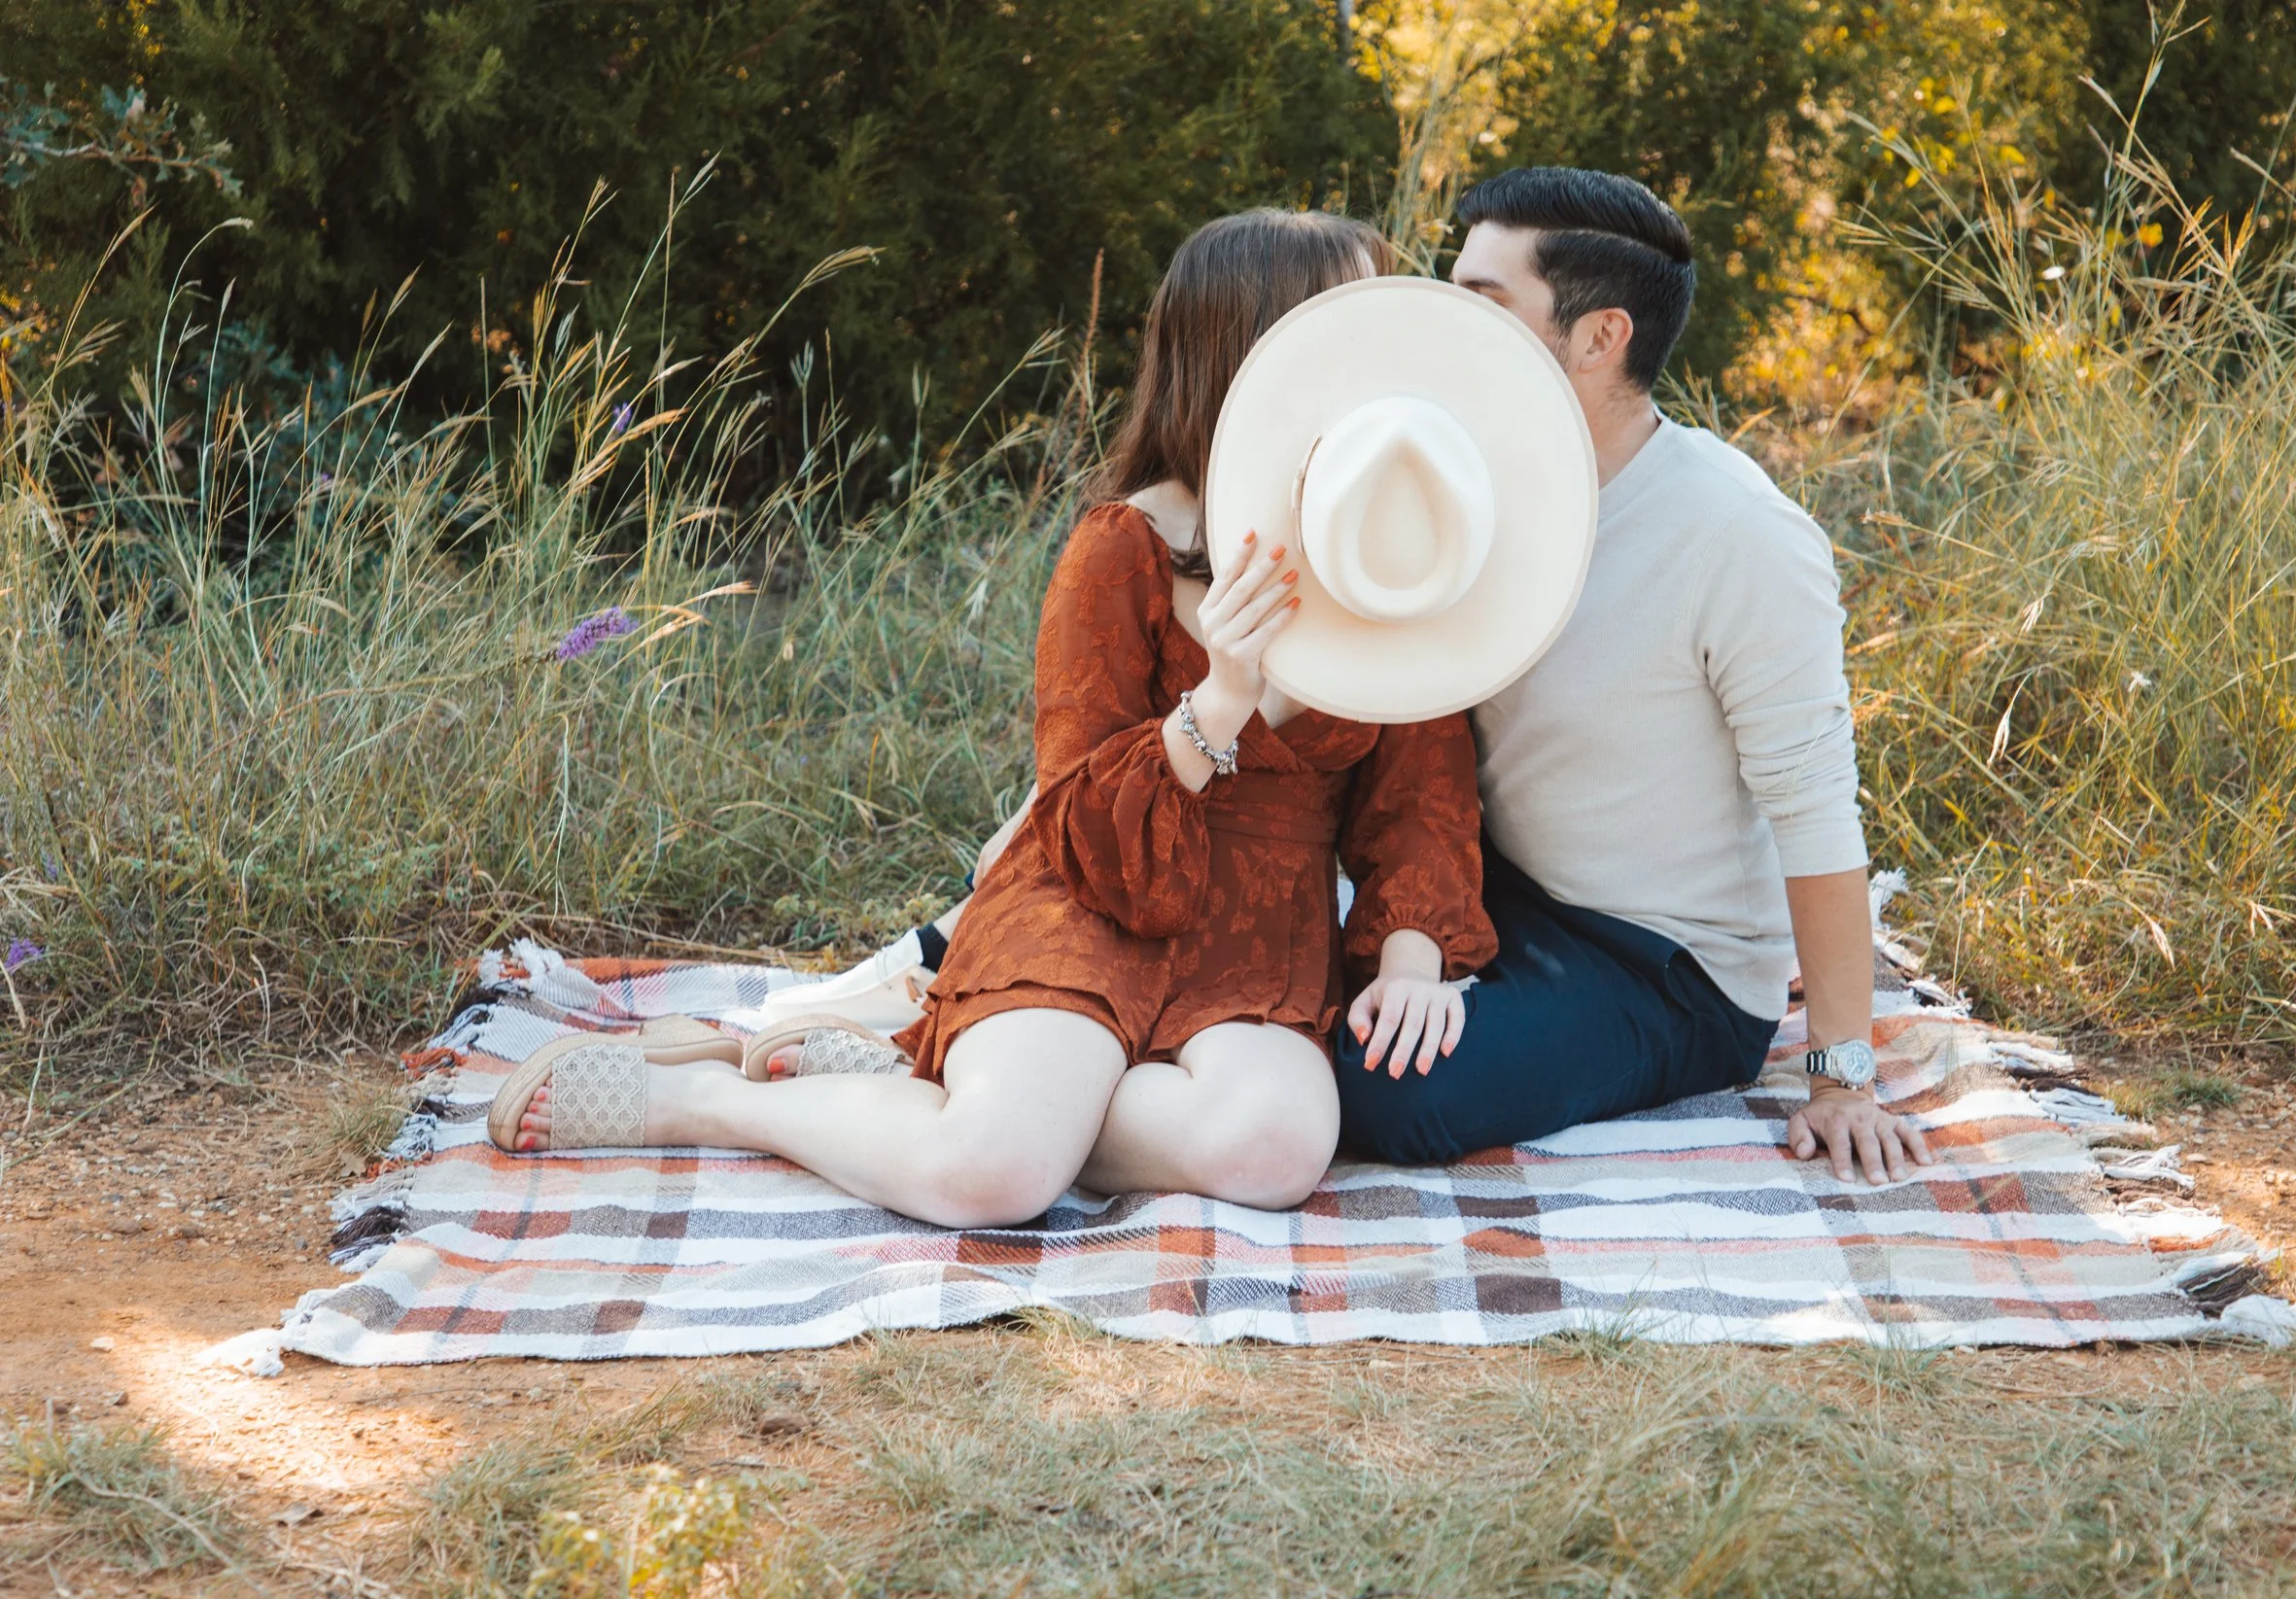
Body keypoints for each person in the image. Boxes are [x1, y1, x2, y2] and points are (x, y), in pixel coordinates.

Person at [492, 208, 1496, 1229]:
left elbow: (1422, 804)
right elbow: (1077, 820)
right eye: (1348, 327)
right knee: (994, 1176)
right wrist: (1222, 699)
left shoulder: (1394, 556)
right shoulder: (1124, 547)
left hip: (1254, 941)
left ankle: (931, 1081)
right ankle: (718, 1098)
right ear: (1256, 351)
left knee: (1274, 1147)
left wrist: (1412, 956)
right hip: (1090, 904)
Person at [942, 168, 1934, 1188]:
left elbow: (1817, 813)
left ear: (1598, 340)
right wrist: (1047, 808)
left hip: (1658, 959)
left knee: (1374, 1083)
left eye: (1481, 305)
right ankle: (1005, 1042)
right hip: (1498, 882)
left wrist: (1841, 1076)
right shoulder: (1444, 485)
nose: (1435, 326)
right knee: (1245, 958)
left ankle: (1020, 1112)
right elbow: (1396, 738)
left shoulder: (1738, 535)